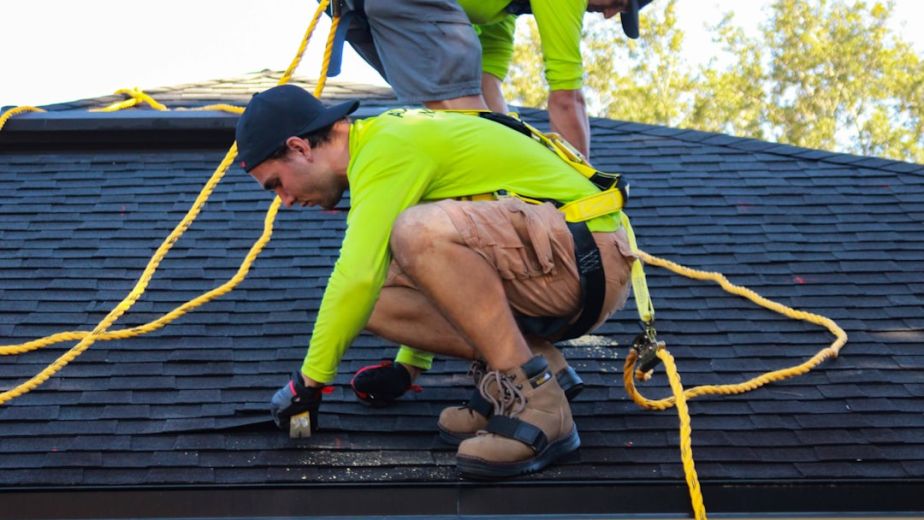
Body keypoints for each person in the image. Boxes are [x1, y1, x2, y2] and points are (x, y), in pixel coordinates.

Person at [236, 84, 635, 478]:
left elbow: (357, 275)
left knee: (408, 236)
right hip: (562, 256)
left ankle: (542, 406)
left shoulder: (386, 146)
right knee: (374, 293)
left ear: (299, 148)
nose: (285, 201)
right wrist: (408, 367)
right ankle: (531, 366)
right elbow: (421, 273)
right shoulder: (385, 142)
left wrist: (307, 384)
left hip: (585, 254)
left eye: (276, 184)